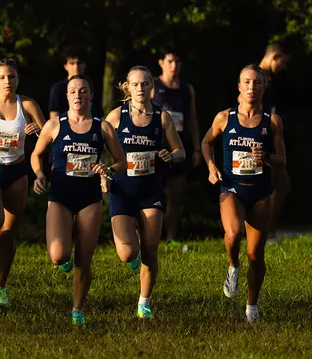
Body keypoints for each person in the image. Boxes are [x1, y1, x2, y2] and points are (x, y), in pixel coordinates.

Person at [31, 75, 125, 326]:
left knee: (84, 260)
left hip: (89, 198)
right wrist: (39, 174)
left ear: (91, 95)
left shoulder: (103, 127)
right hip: (60, 195)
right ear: (67, 96)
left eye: (83, 91)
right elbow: (36, 155)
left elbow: (122, 162)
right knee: (57, 256)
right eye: (73, 91)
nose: (78, 95)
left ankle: (77, 310)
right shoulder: (54, 125)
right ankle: (65, 260)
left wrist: (108, 170)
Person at [201, 64, 284, 324]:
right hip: (231, 188)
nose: (251, 87)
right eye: (246, 82)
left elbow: (282, 160)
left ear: (264, 86)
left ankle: (251, 306)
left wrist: (266, 156)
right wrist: (211, 167)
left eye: (257, 82)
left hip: (260, 192)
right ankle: (233, 266)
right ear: (239, 86)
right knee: (234, 232)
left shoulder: (272, 121)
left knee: (256, 256)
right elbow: (206, 142)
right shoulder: (225, 117)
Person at [105, 66, 185, 319]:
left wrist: (170, 155)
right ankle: (131, 257)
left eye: (144, 84)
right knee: (127, 253)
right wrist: (102, 172)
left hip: (151, 190)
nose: (140, 88)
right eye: (135, 84)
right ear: (127, 88)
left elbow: (180, 152)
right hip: (122, 189)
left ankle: (144, 302)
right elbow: (96, 144)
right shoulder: (116, 116)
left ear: (152, 86)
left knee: (150, 247)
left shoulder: (163, 117)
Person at [0, 59, 45, 308]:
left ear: (18, 79)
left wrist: (38, 131)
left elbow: (49, 135)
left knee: (8, 233)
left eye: (11, 77)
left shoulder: (27, 105)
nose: (7, 82)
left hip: (17, 171)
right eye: (2, 77)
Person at [151, 46, 200, 245]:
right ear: (161, 63)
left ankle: (171, 237)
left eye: (177, 61)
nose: (174, 65)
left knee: (176, 194)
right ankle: (149, 236)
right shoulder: (152, 85)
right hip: (155, 147)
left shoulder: (187, 89)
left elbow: (192, 119)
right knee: (151, 193)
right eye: (170, 61)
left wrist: (197, 148)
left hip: (179, 147)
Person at [258, 43, 291, 244]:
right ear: (274, 56)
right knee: (272, 186)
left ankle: (268, 232)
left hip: (271, 137)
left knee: (281, 185)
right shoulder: (257, 77)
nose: (283, 67)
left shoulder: (270, 78)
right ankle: (265, 233)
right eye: (283, 62)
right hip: (261, 138)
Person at [48, 47, 104, 119]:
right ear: (65, 66)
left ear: (85, 64)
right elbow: (54, 115)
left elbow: (98, 114)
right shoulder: (58, 88)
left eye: (79, 63)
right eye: (72, 63)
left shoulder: (93, 86)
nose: (76, 66)